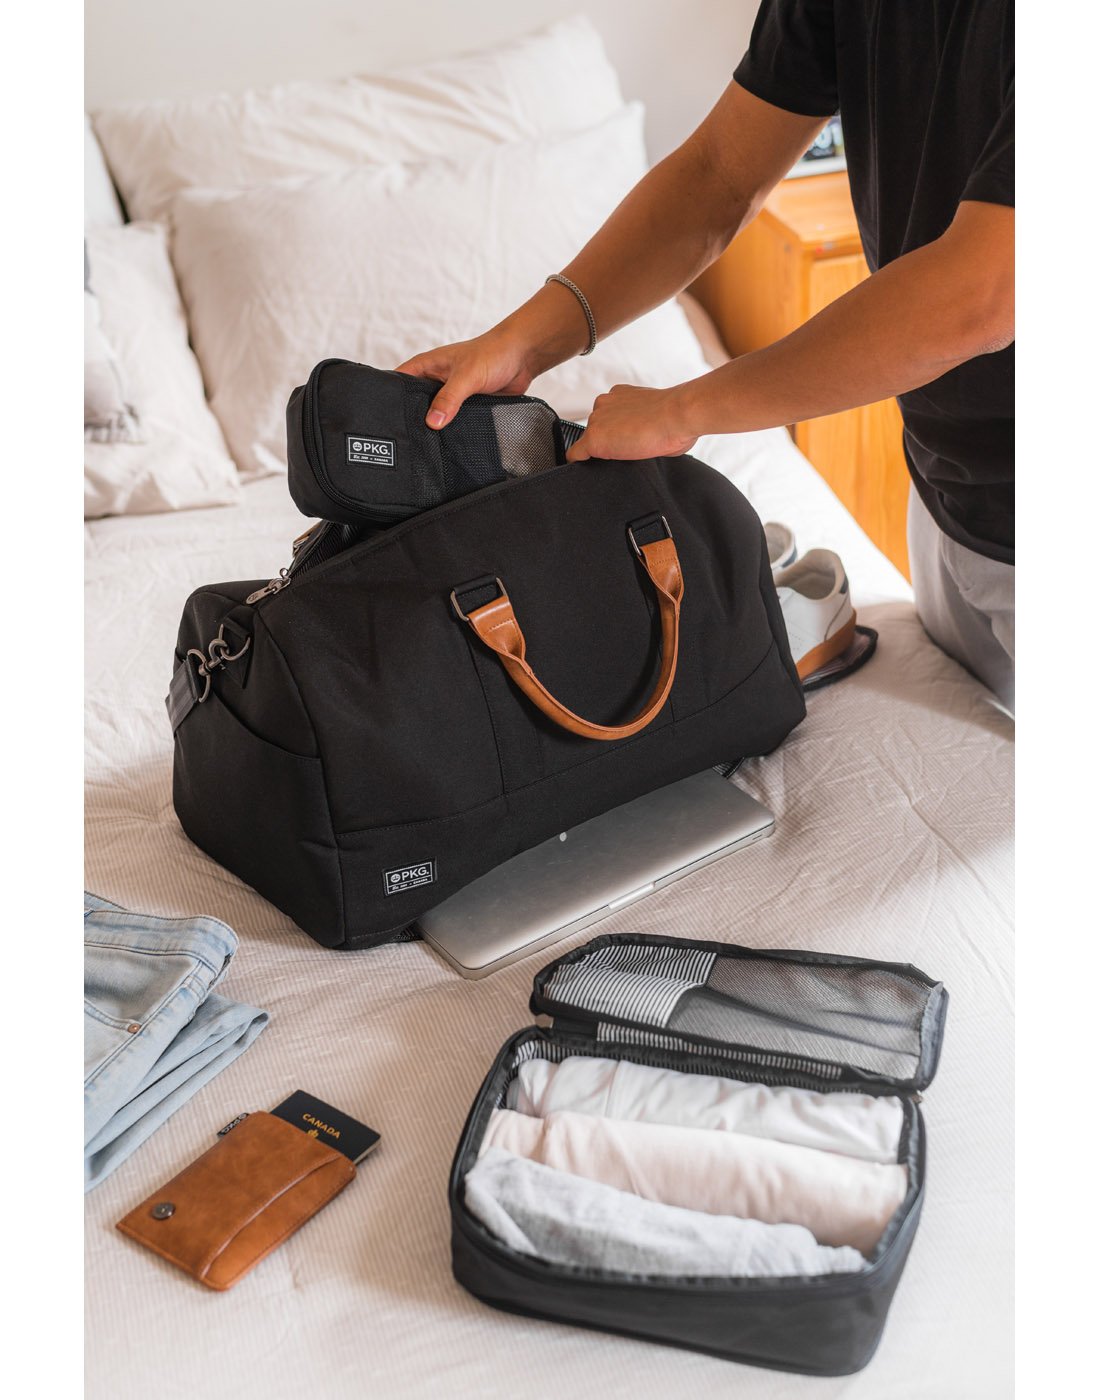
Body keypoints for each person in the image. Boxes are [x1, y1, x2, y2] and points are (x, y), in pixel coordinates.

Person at [398, 0, 1015, 711]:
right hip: (950, 489)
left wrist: (682, 408)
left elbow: (984, 290)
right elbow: (721, 172)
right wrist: (521, 343)